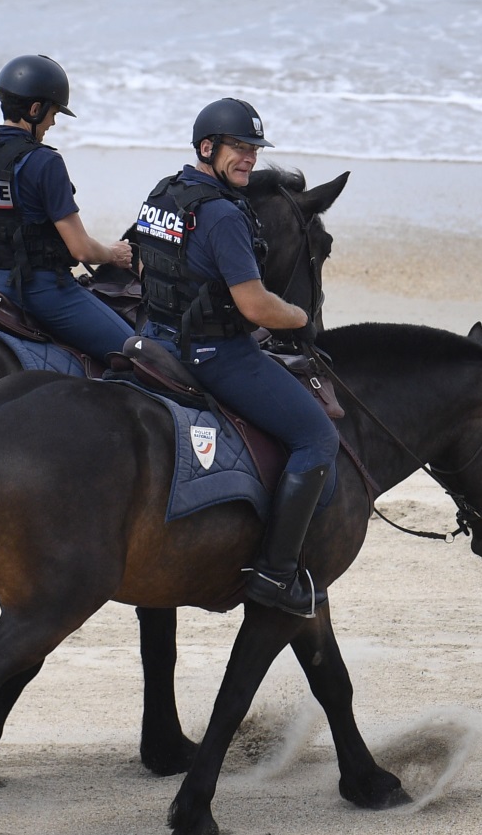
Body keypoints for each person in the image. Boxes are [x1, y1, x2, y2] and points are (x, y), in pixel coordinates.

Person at [132, 97, 338, 618]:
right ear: (207, 147)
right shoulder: (223, 215)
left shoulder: (162, 194)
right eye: (238, 148)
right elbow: (253, 305)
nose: (248, 158)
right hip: (211, 353)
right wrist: (298, 317)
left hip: (151, 341)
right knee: (317, 437)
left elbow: (142, 268)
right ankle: (275, 575)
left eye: (253, 148)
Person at [0, 54, 137, 362]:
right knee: (136, 355)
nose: (52, 122)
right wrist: (113, 255)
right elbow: (80, 250)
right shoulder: (43, 161)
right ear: (35, 109)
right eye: (53, 113)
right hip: (38, 291)